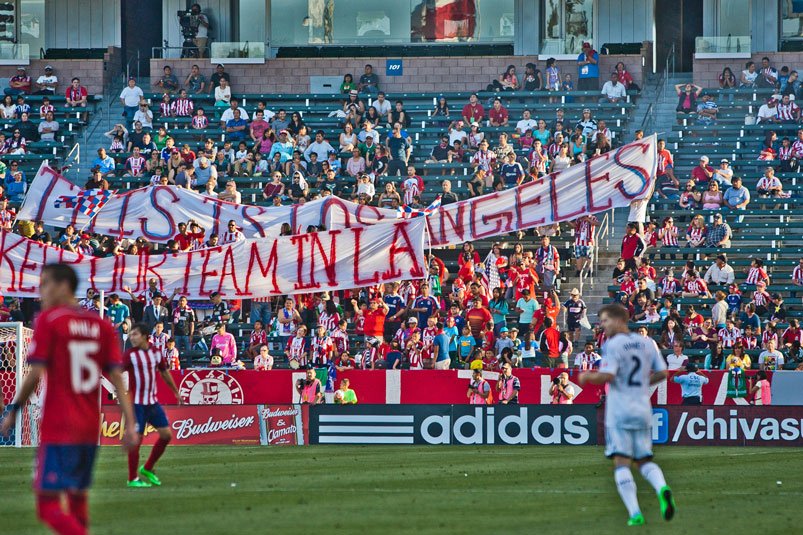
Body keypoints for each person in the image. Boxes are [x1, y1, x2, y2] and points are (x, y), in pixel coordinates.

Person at [0, 264, 137, 534]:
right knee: (77, 498)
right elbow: (118, 380)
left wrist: (14, 409)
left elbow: (35, 372)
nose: (41, 293)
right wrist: (130, 423)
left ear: (63, 286)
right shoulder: (101, 326)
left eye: (45, 285)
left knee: (47, 506)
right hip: (88, 427)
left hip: (59, 424)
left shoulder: (50, 321)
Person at [578, 304, 675, 527]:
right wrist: (642, 385)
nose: (603, 326)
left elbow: (607, 376)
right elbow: (663, 373)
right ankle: (662, 487)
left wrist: (587, 378)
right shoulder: (646, 342)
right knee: (643, 459)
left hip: (620, 407)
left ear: (619, 320)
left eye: (605, 321)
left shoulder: (613, 345)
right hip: (642, 407)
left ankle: (635, 513)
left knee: (621, 462)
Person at [123, 323, 180, 487]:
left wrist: (175, 392)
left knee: (166, 435)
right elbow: (117, 372)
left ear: (145, 336)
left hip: (152, 403)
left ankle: (147, 468)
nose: (131, 337)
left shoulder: (156, 353)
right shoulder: (130, 355)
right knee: (136, 440)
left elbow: (164, 371)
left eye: (135, 334)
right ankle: (132, 478)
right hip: (137, 404)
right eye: (131, 335)